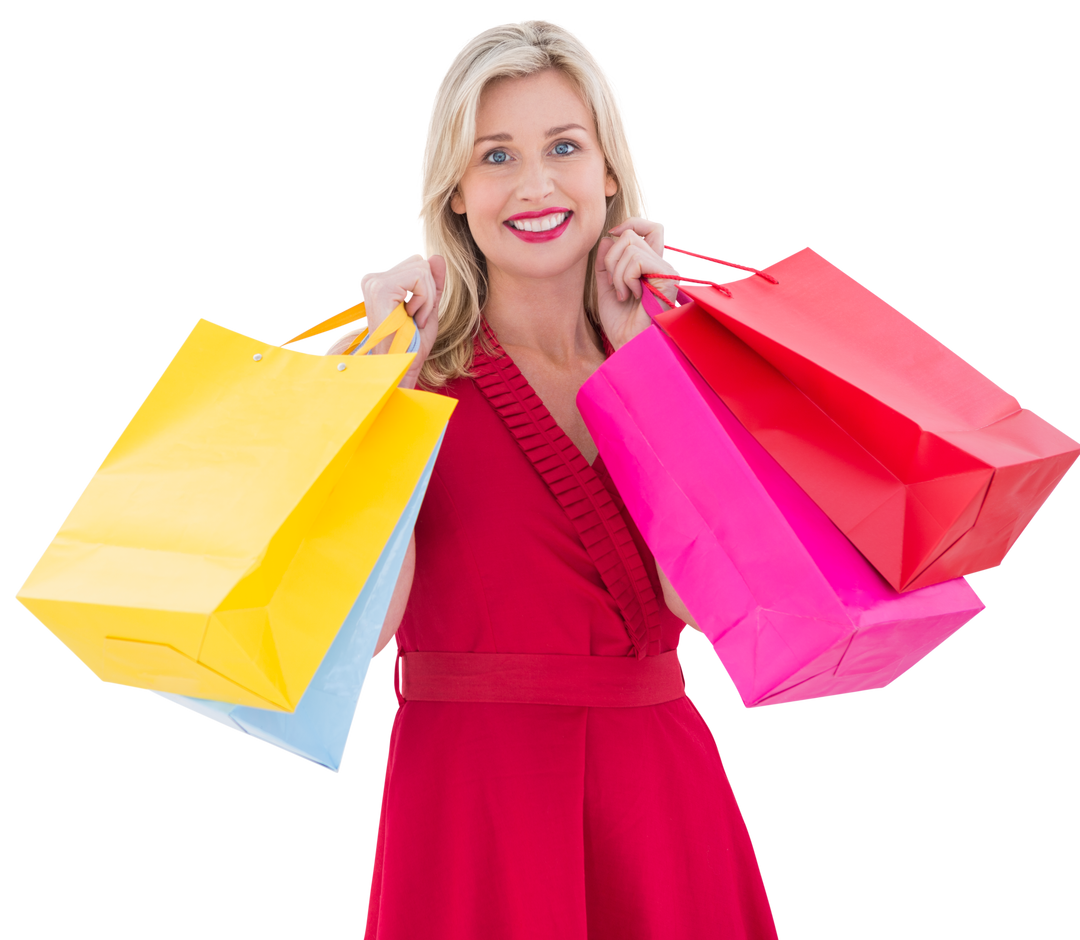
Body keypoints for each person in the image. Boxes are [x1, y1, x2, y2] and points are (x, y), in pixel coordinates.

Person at [325, 16, 781, 939]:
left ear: (609, 172)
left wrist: (646, 368)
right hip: (466, 804)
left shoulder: (678, 364)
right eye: (495, 156)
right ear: (454, 190)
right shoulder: (389, 369)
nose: (533, 186)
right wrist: (387, 388)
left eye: (563, 147)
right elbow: (363, 634)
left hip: (659, 803)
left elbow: (708, 609)